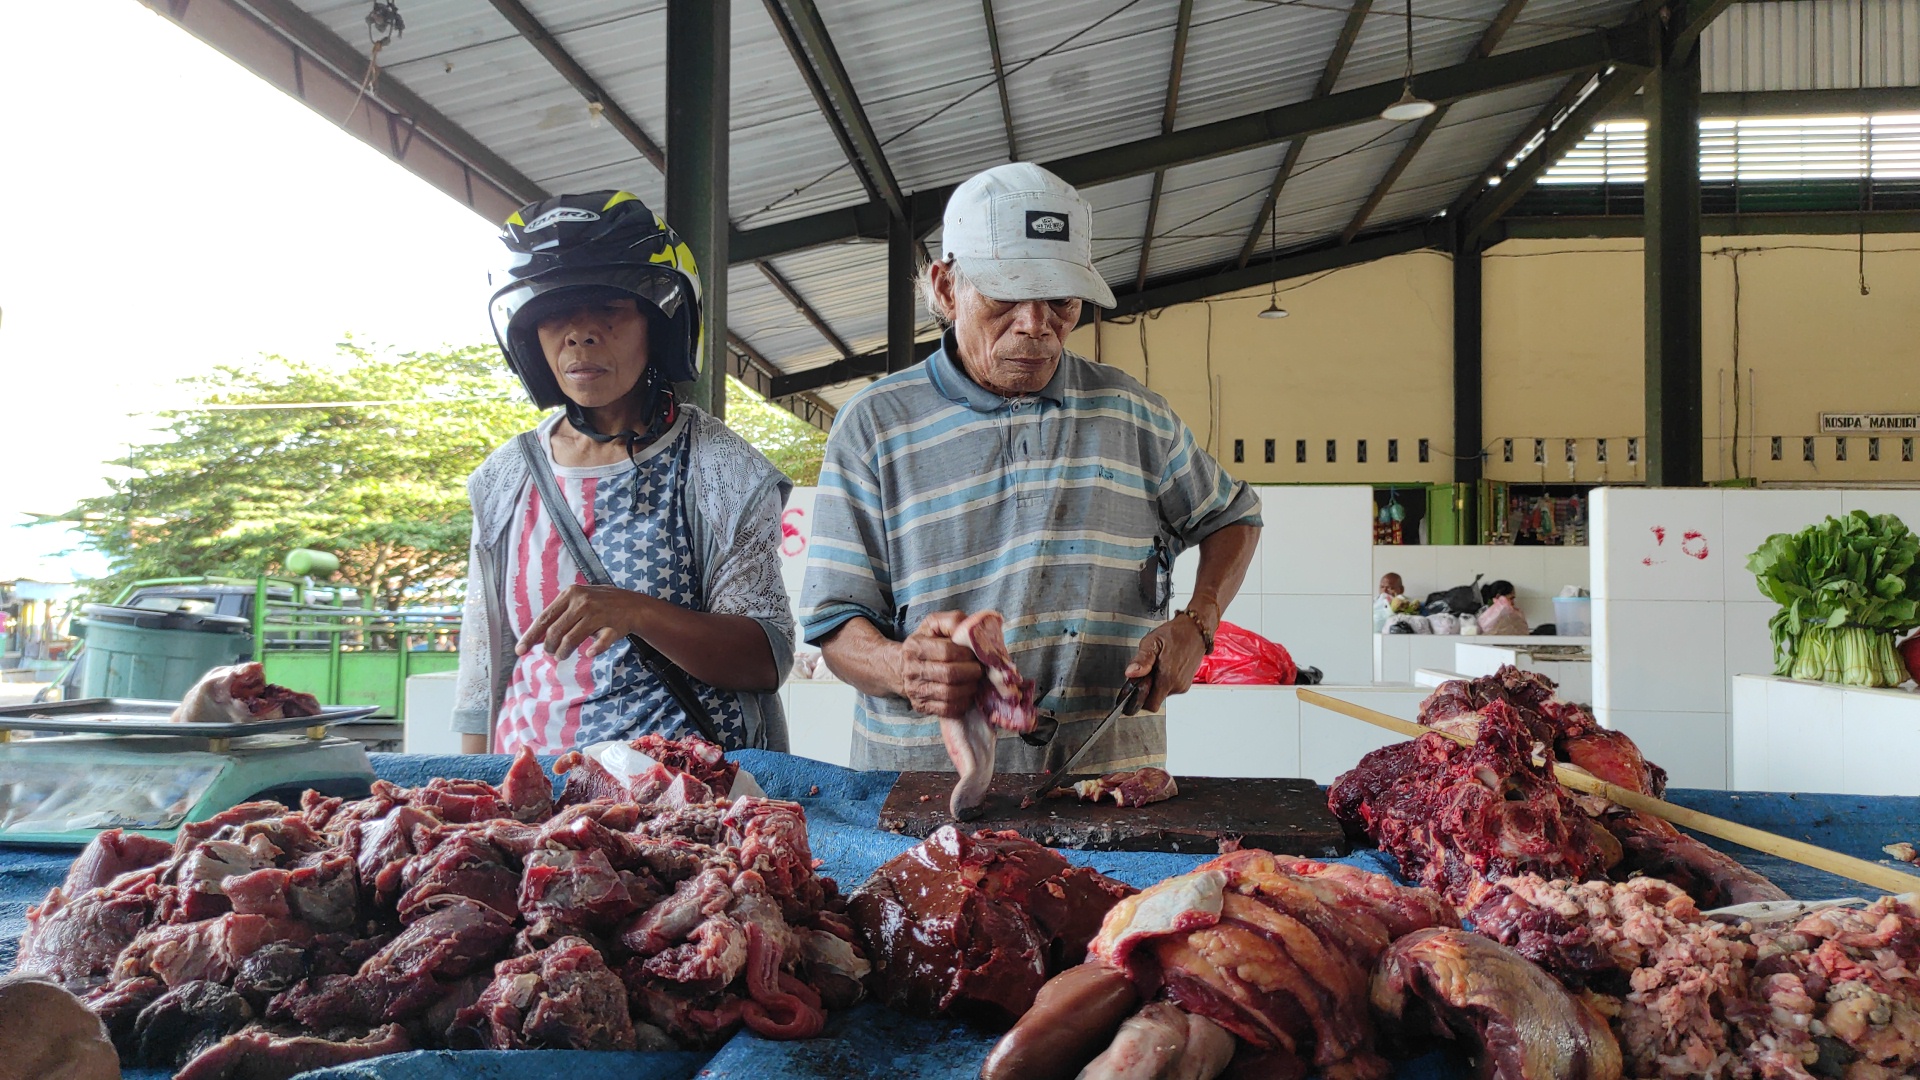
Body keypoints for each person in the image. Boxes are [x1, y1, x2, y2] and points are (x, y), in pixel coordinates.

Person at [800, 163, 1262, 775]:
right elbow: (837, 623)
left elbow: (1235, 516)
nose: (1035, 324)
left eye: (1060, 301)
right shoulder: (873, 425)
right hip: (920, 793)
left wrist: (1198, 624)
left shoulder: (1133, 415)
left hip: (1109, 783)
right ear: (945, 288)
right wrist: (901, 667)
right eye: (1006, 295)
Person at [452, 191, 794, 755]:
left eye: (609, 312)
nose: (579, 336)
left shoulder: (719, 467)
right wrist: (471, 800)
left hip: (683, 800)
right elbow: (485, 664)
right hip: (535, 791)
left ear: (658, 327)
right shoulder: (503, 476)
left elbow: (765, 657)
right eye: (555, 315)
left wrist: (636, 611)